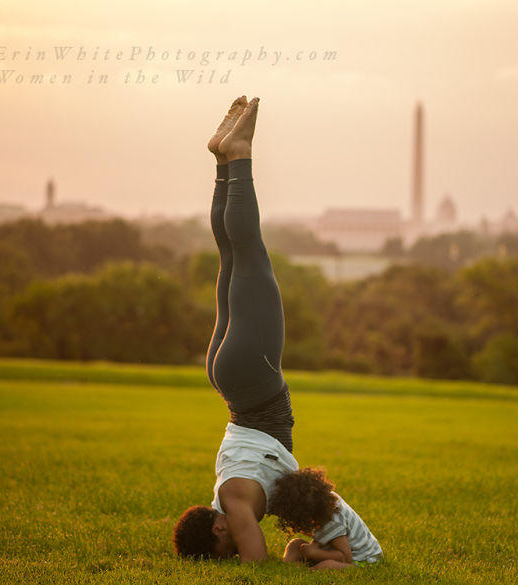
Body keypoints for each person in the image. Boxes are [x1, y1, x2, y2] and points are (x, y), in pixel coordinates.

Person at [173, 95, 299, 562]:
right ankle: (225, 161)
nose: (234, 539)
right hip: (230, 384)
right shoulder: (222, 490)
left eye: (223, 544)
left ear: (217, 530)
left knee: (250, 255)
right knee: (232, 256)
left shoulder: (234, 505)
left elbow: (257, 562)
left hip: (251, 377)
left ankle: (238, 154)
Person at [268, 467, 383, 570]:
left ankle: (308, 572)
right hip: (331, 548)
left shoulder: (332, 522)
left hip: (361, 560)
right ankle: (289, 566)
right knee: (295, 544)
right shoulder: (323, 501)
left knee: (327, 565)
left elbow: (344, 557)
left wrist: (315, 553)